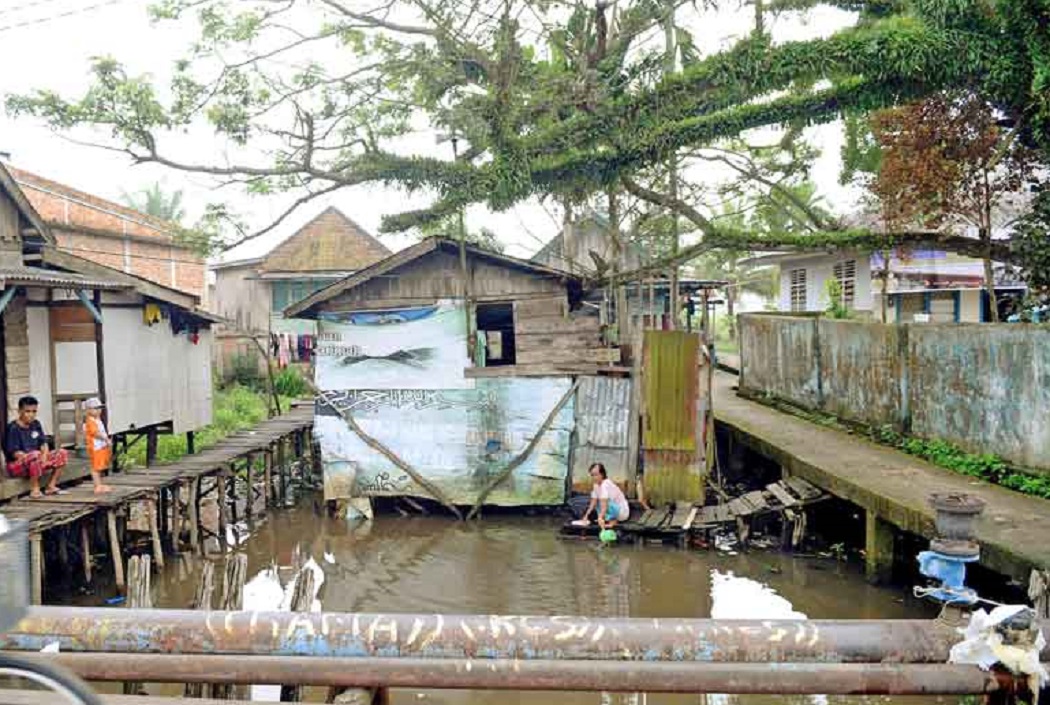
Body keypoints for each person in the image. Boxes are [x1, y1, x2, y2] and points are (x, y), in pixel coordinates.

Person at [5, 395, 68, 498]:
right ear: (19, 411)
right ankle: (35, 489)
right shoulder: (13, 428)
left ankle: (51, 486)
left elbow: (43, 443)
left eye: (34, 411)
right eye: (27, 411)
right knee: (35, 455)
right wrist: (33, 458)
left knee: (61, 453)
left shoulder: (36, 424)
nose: (31, 415)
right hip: (17, 465)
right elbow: (14, 453)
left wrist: (44, 457)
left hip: (37, 462)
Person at [584, 462, 630, 530]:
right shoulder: (596, 485)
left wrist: (600, 517)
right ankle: (609, 520)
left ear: (602, 474)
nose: (594, 477)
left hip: (621, 512)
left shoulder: (606, 484)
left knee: (603, 502)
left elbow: (604, 504)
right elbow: (593, 502)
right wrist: (586, 515)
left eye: (596, 475)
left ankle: (612, 521)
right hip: (613, 510)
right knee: (597, 502)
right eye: (592, 475)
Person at [83, 397, 113, 494]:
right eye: (95, 408)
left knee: (100, 466)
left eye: (99, 408)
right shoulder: (90, 421)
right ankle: (97, 486)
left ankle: (100, 484)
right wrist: (106, 439)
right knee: (95, 467)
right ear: (88, 410)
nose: (98, 410)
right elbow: (95, 433)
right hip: (95, 447)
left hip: (100, 447)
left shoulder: (97, 420)